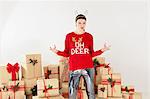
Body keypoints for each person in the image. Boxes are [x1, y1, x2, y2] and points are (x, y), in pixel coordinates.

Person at [50, 14, 110, 99]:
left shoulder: (89, 36)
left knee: (91, 91)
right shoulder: (69, 36)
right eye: (79, 23)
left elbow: (91, 53)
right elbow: (67, 53)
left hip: (88, 67)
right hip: (74, 67)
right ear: (75, 23)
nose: (82, 25)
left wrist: (102, 50)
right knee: (72, 91)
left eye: (84, 23)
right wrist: (56, 51)